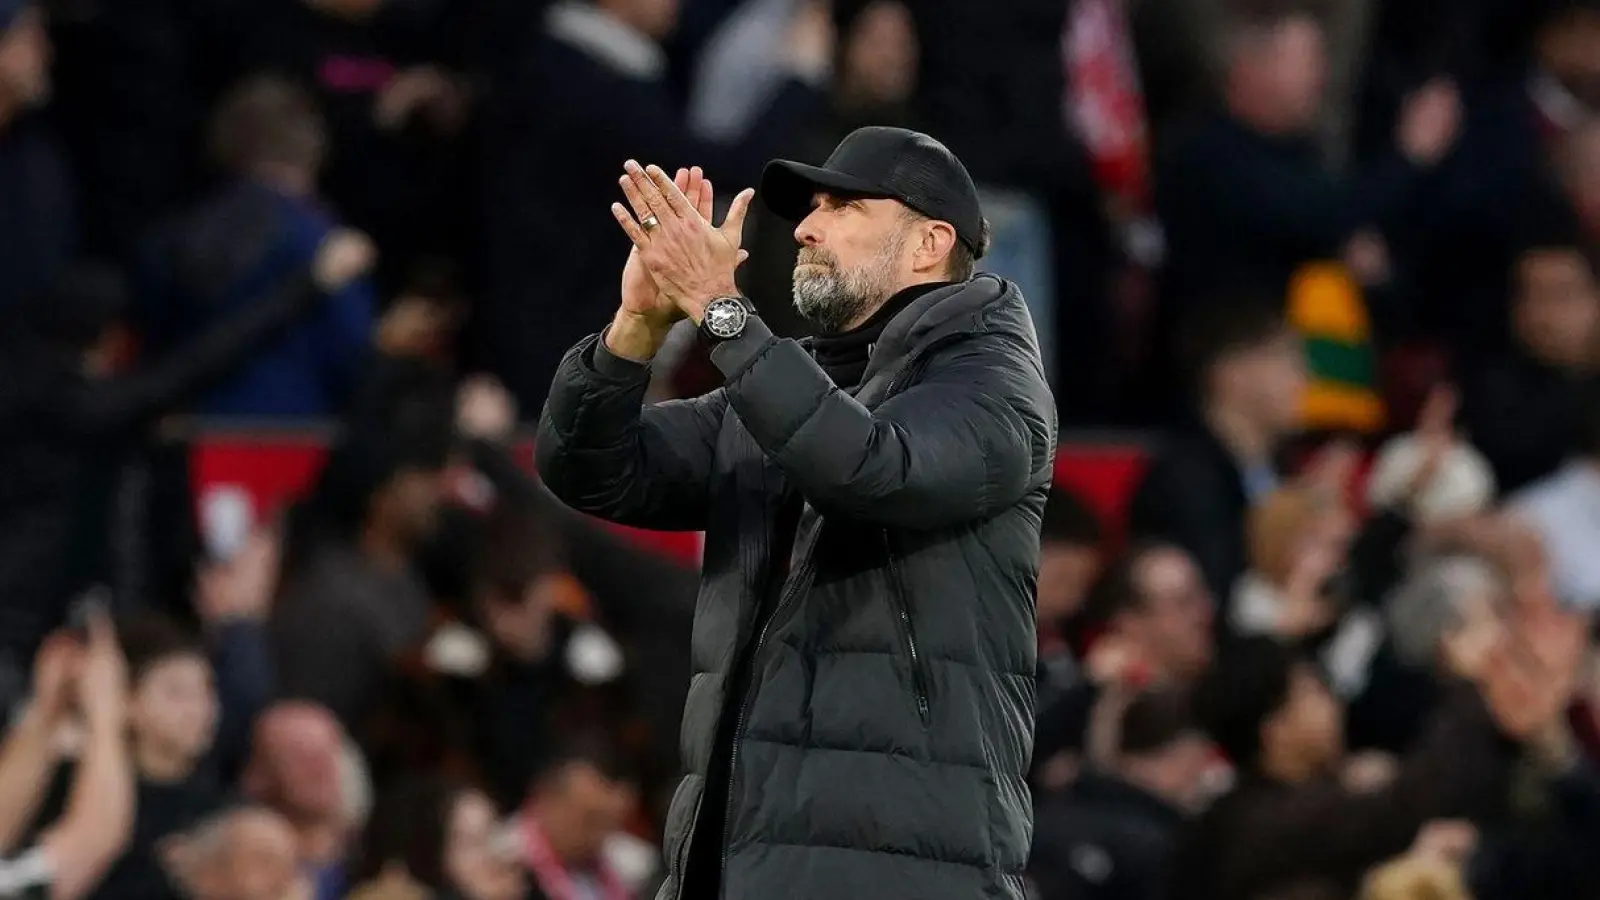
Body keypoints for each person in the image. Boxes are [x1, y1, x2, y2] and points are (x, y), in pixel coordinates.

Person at [535, 127, 1057, 900]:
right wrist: (636, 331)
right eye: (811, 206)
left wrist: (721, 310)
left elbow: (871, 468)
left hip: (903, 868)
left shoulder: (992, 381)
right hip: (736, 855)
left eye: (844, 207)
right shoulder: (790, 385)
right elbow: (592, 470)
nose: (808, 227)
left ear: (929, 244)